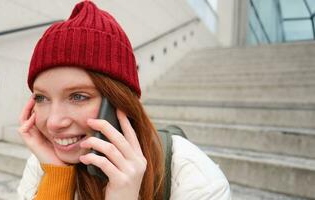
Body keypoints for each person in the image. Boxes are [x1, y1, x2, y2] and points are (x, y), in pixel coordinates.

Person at [17, 1, 231, 199]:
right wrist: (57, 179)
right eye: (41, 97)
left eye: (78, 96)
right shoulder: (42, 163)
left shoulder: (195, 176)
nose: (53, 122)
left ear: (119, 102)